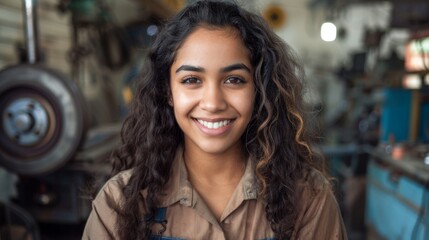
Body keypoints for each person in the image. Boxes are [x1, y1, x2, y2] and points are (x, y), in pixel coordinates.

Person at [82, 0, 347, 239]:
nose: (213, 103)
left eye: (234, 80)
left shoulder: (308, 199)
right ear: (168, 92)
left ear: (259, 90)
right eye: (191, 80)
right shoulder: (119, 203)